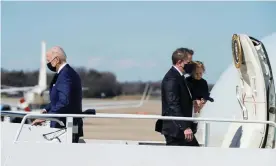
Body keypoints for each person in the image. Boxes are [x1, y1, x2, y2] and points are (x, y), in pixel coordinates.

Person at [32, 46, 83, 143]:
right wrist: (46, 109)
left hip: (65, 126)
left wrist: (45, 117)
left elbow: (64, 101)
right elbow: (59, 99)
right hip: (66, 125)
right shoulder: (64, 73)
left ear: (56, 59)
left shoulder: (65, 75)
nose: (48, 63)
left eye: (48, 60)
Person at [155, 48, 200, 146]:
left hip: (182, 129)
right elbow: (173, 105)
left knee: (195, 155)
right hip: (176, 131)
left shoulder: (179, 77)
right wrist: (185, 127)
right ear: (179, 62)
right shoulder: (171, 79)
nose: (192, 65)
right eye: (189, 62)